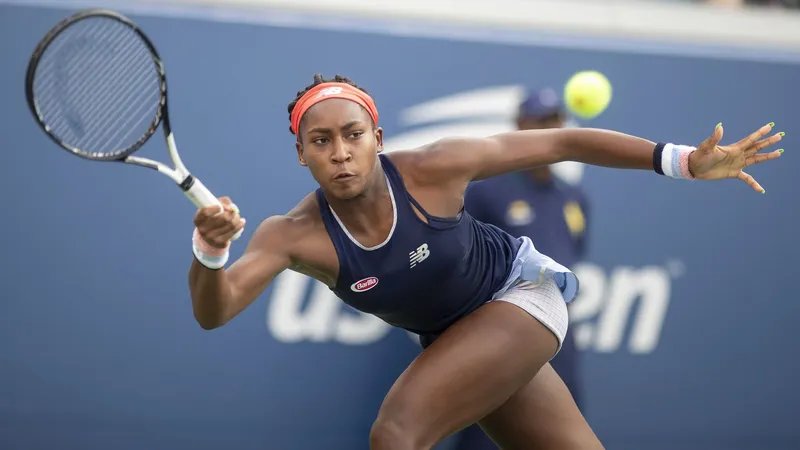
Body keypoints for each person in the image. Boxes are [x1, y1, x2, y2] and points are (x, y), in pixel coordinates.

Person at [188, 74, 782, 450]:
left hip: (519, 297)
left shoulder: (435, 167)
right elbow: (214, 313)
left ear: (378, 137)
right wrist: (210, 251)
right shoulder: (290, 235)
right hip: (458, 336)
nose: (341, 153)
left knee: (396, 434)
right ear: (301, 154)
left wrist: (683, 161)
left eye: (353, 134)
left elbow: (563, 143)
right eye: (321, 142)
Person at [452, 87, 591, 450]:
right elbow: (462, 265)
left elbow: (572, 257)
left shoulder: (573, 197)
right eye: (540, 121)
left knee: (558, 436)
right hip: (498, 337)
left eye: (555, 121)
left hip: (558, 336)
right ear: (518, 125)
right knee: (487, 436)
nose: (549, 129)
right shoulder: (484, 191)